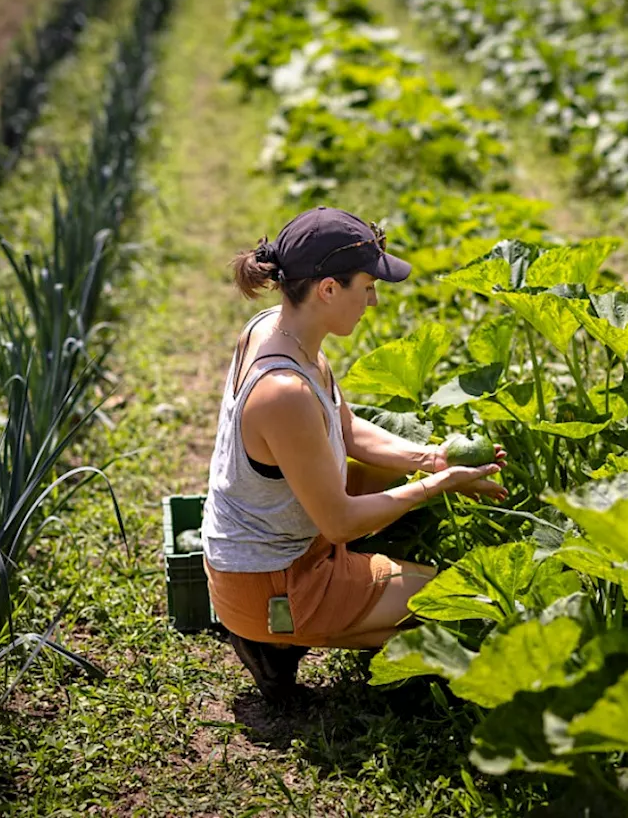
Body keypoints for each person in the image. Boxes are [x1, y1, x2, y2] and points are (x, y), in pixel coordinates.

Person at [200, 206, 507, 703]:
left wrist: (434, 459)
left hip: (286, 547)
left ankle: (319, 622)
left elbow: (346, 430)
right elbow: (341, 521)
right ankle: (274, 638)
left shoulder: (281, 331)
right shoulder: (283, 391)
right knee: (461, 605)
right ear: (327, 289)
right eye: (366, 286)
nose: (374, 299)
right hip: (275, 582)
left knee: (380, 487)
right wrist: (435, 488)